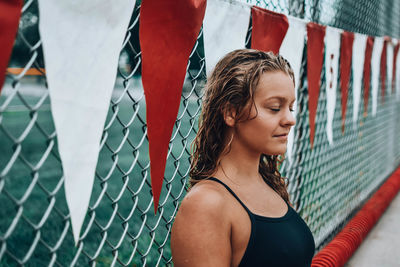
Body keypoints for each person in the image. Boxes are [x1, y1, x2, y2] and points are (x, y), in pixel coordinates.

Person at [170, 49, 315, 267]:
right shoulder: (206, 205)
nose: (290, 119)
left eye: (291, 107)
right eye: (275, 108)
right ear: (231, 113)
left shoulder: (269, 184)